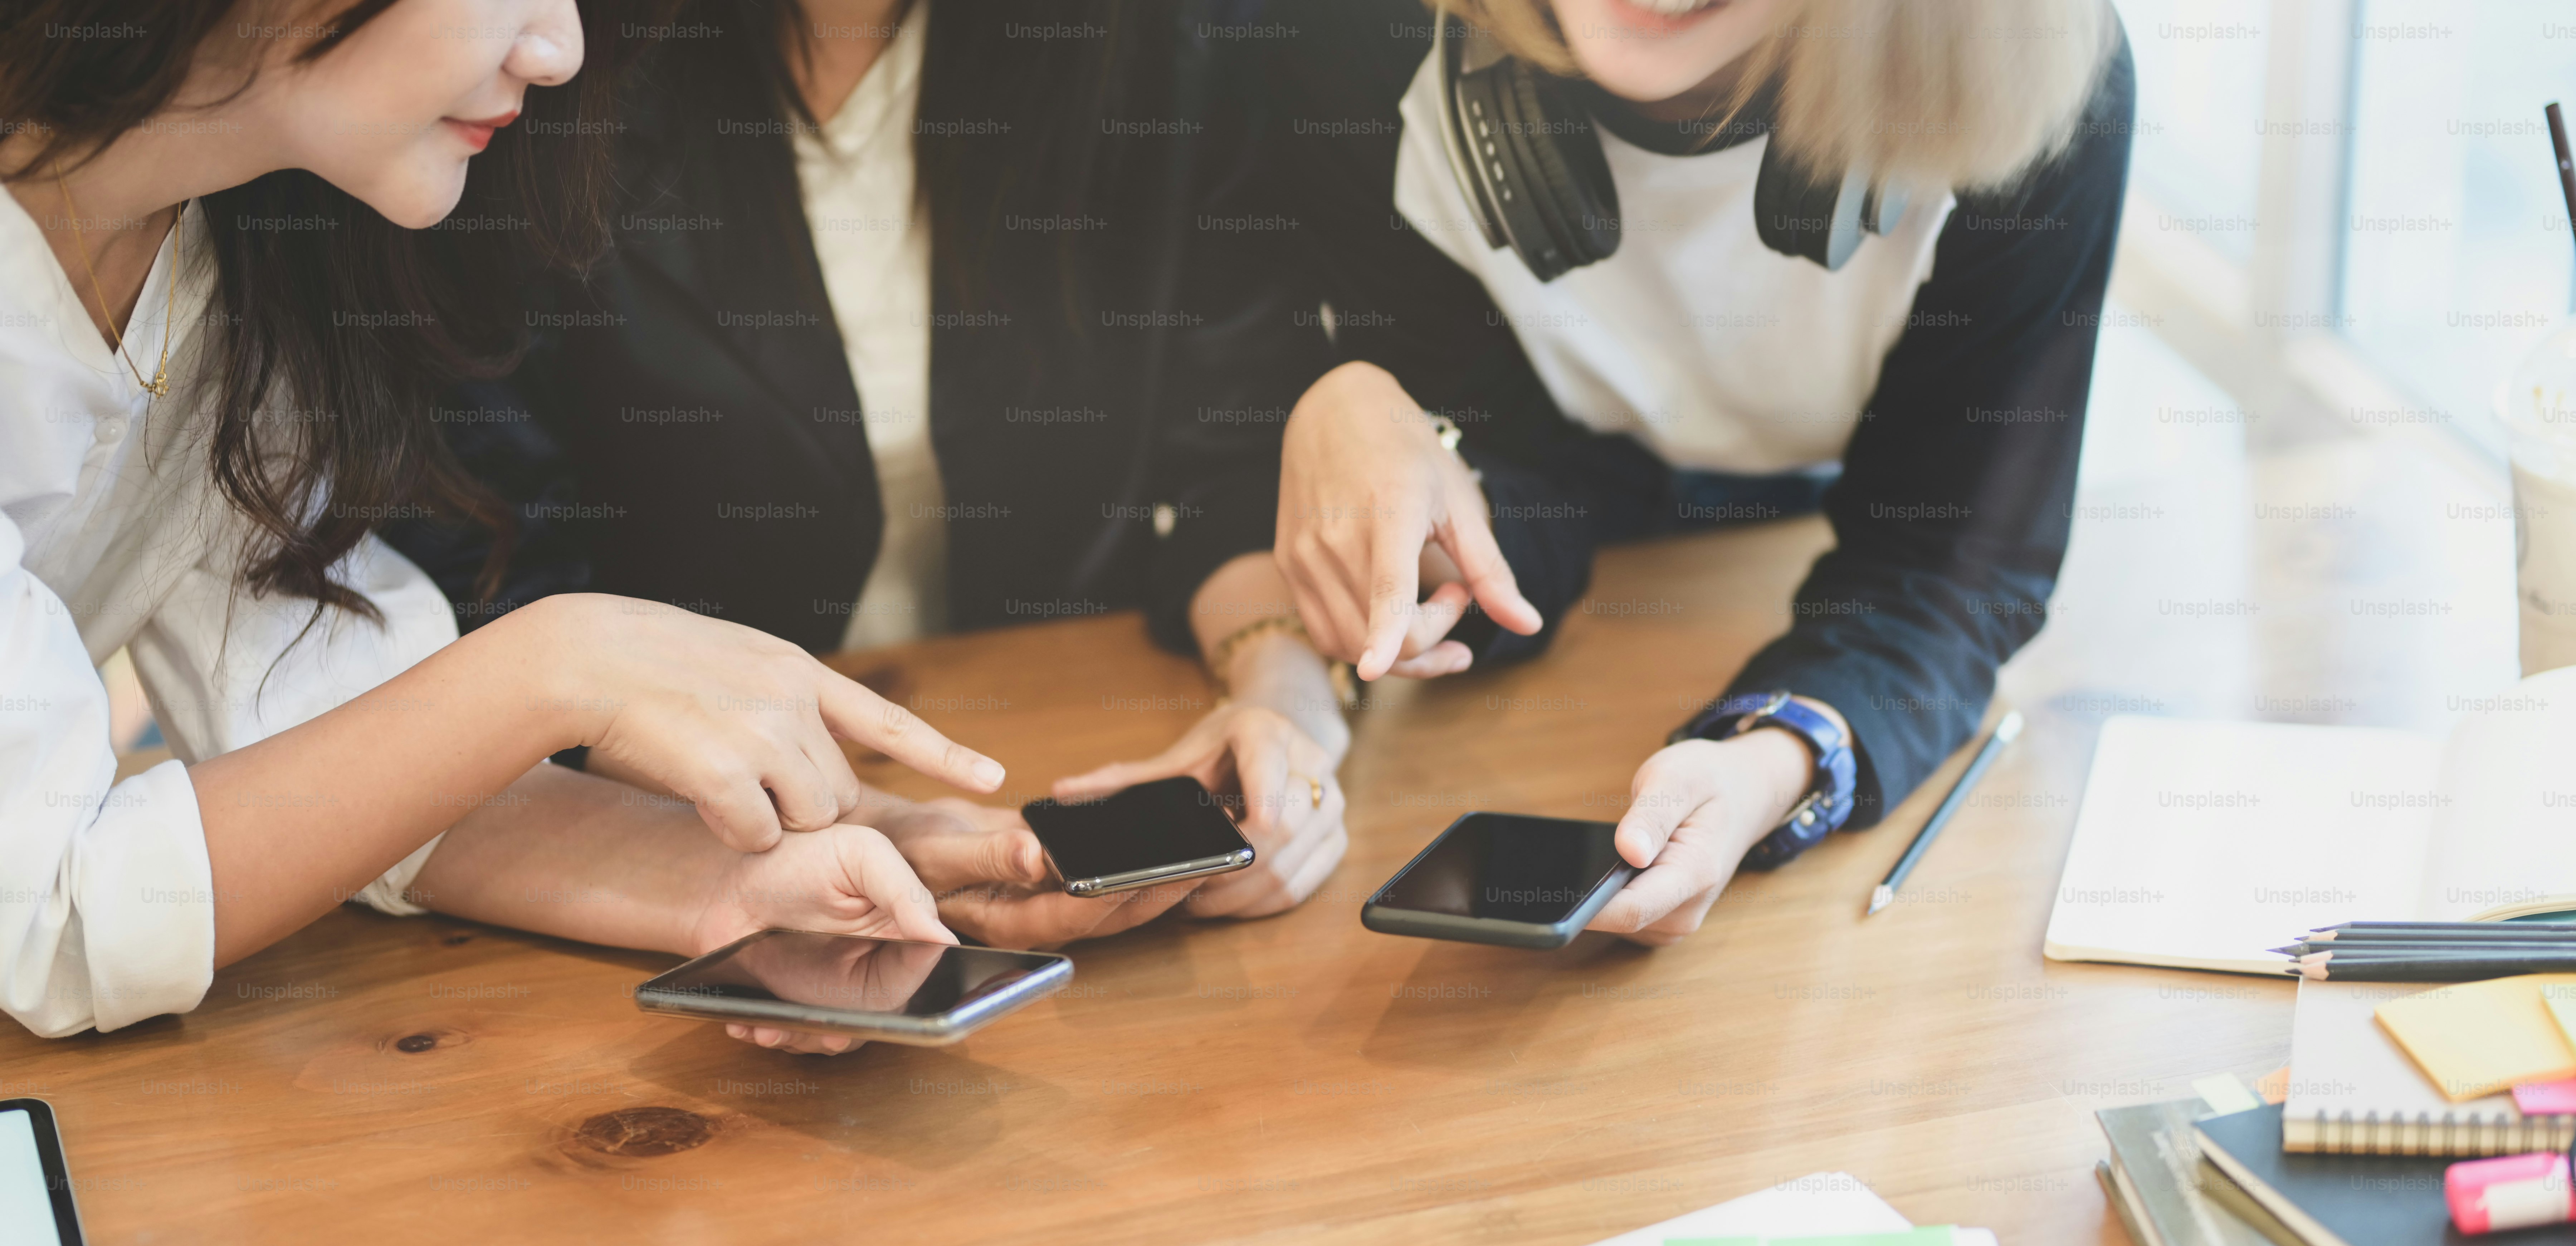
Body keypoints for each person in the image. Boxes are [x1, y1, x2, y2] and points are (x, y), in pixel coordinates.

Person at [0, 0, 1008, 1045]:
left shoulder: (235, 240)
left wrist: (750, 884)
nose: (560, 50)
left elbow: (334, 731)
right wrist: (561, 663)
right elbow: (56, 913)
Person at [384, 0, 1353, 947]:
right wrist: (823, 826)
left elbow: (1237, 456)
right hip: (639, 826)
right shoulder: (530, 56)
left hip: (1049, 735)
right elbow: (481, 569)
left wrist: (1282, 700)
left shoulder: (1166, 39)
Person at [1260, 0, 2134, 941]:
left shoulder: (2029, 66)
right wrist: (1394, 480)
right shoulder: (1346, 38)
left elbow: (1954, 564)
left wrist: (1765, 769)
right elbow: (1507, 489)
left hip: (1804, 522)